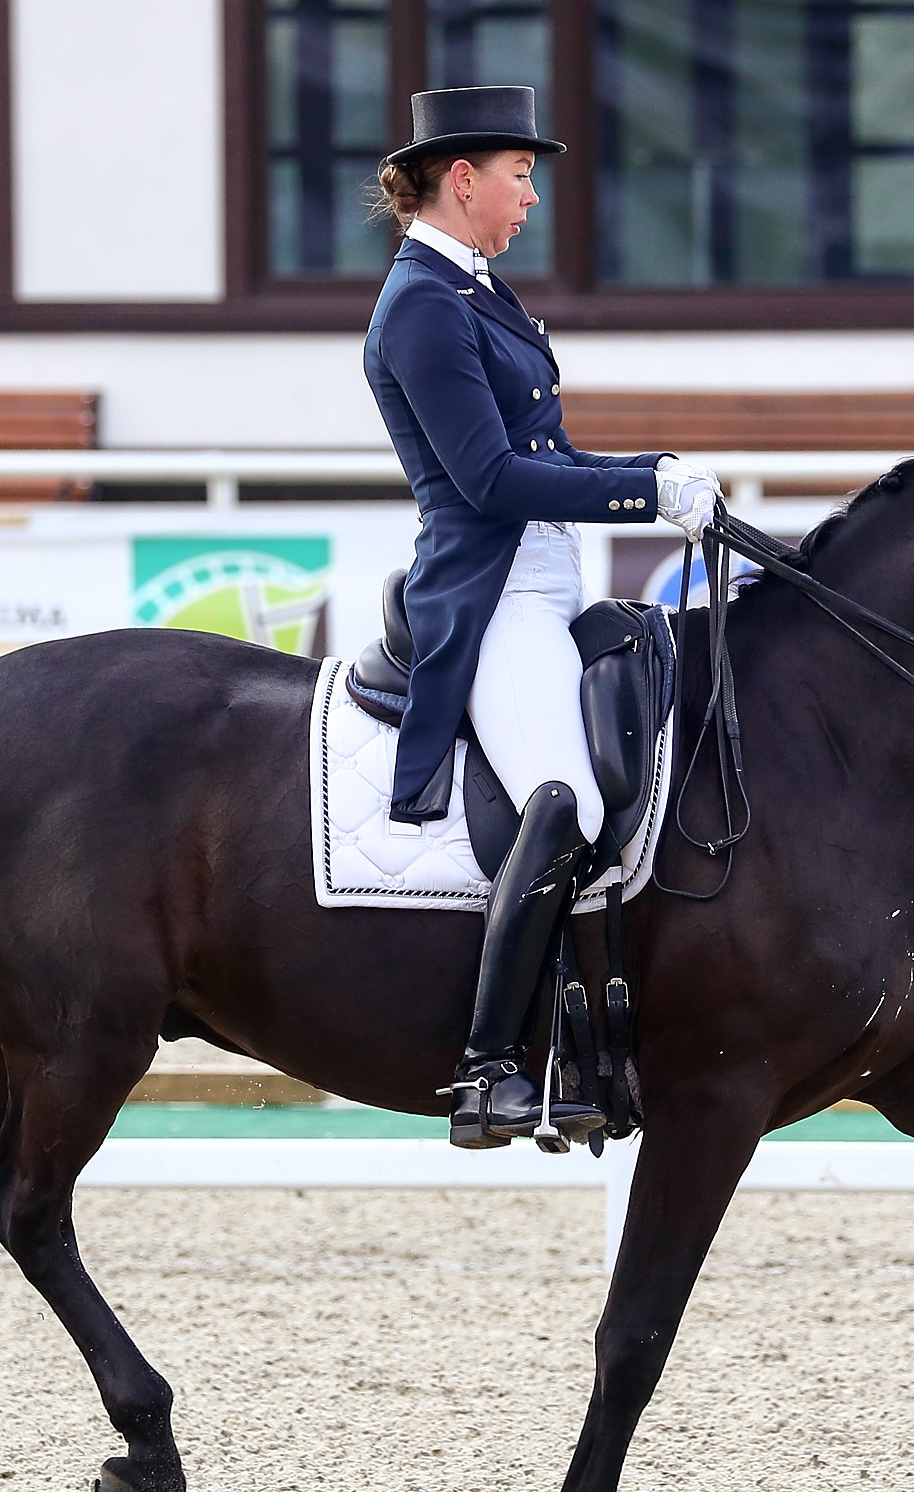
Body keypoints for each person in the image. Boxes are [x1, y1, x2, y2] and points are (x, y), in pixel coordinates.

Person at [362, 85, 721, 1148]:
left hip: (547, 581)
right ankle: (487, 1068)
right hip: (491, 594)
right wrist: (637, 498)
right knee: (559, 799)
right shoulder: (422, 302)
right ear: (461, 177)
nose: (530, 195)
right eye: (520, 173)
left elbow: (547, 453)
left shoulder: (478, 292)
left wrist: (647, 468)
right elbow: (486, 478)